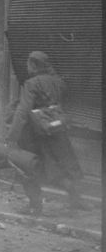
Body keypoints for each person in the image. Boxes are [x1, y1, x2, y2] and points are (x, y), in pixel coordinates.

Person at [6, 51, 89, 215]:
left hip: (35, 135)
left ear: (34, 65)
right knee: (62, 167)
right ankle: (76, 200)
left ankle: (34, 206)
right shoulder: (58, 81)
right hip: (55, 130)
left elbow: (23, 112)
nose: (27, 67)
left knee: (27, 166)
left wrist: (12, 137)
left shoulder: (31, 83)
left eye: (29, 64)